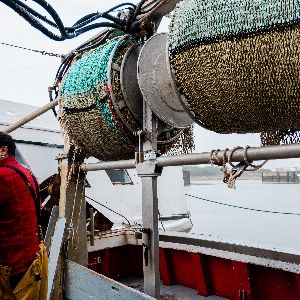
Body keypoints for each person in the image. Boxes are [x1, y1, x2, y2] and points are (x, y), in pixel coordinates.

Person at [0, 132, 47, 300]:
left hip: (12, 268)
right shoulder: (26, 172)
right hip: (33, 261)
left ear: (3, 150)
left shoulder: (3, 176)